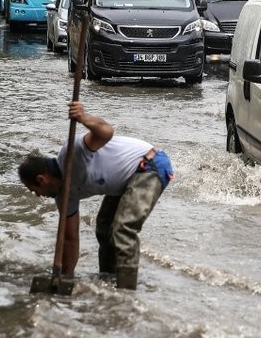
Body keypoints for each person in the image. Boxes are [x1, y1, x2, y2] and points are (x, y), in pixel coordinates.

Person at [18, 101, 174, 290]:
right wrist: (66, 278)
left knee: (123, 228)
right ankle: (109, 281)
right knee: (104, 228)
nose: (37, 196)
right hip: (124, 182)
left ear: (42, 179)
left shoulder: (71, 153)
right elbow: (70, 239)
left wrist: (83, 118)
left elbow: (106, 131)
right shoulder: (64, 197)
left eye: (35, 191)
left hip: (149, 165)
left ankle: (126, 291)